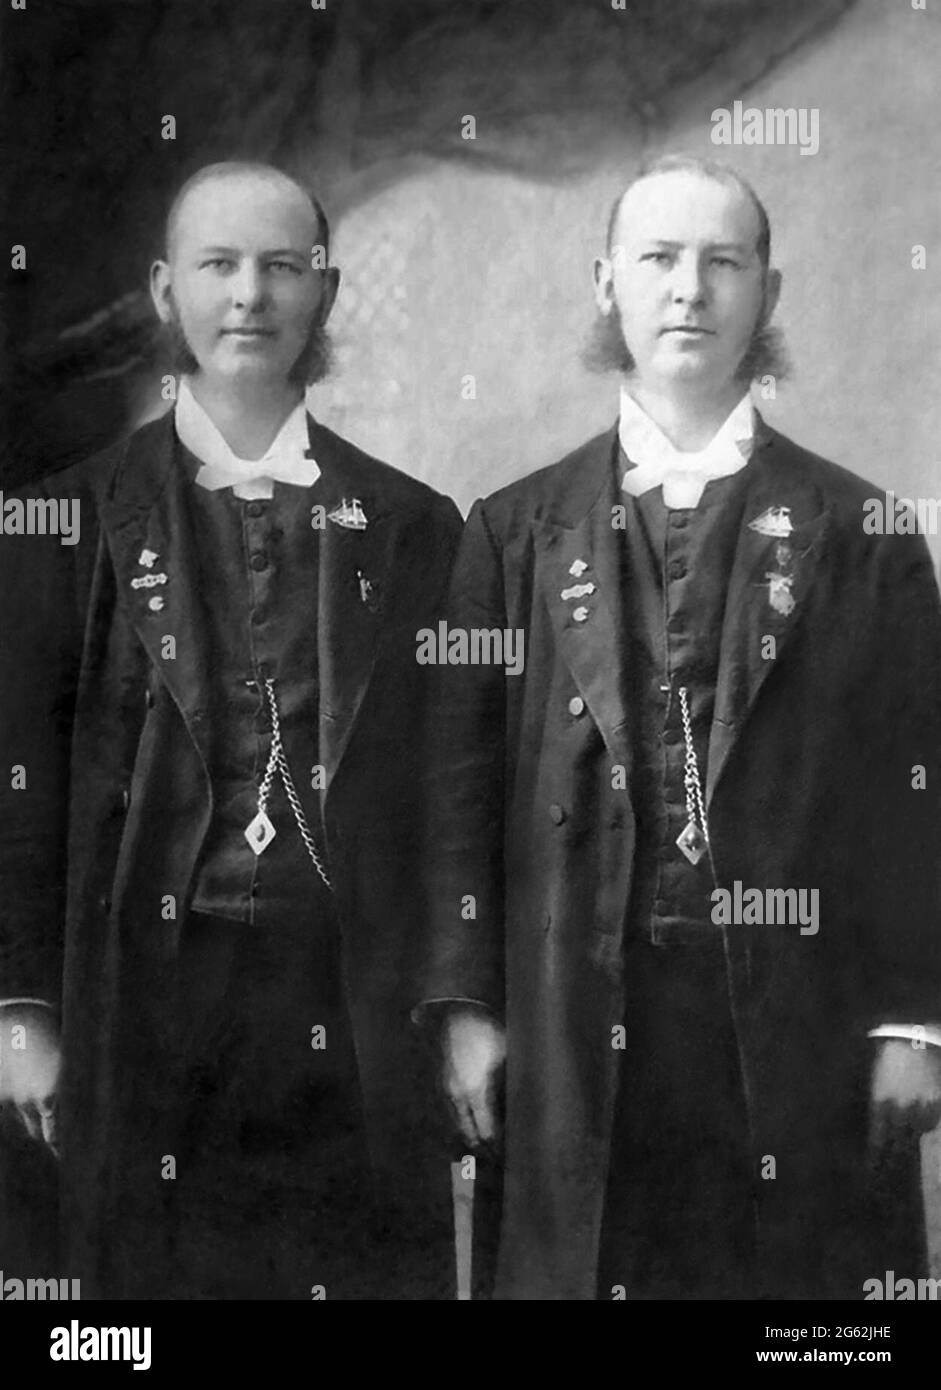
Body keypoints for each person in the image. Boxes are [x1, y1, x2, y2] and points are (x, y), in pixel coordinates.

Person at [417, 154, 941, 1300]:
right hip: (571, 1013)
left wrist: (913, 1016)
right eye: (657, 259)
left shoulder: (867, 533)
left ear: (768, 292)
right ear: (606, 282)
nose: (688, 290)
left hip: (794, 1016)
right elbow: (455, 797)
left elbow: (916, 791)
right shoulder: (509, 532)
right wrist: (465, 1005)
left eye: (722, 261)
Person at [0, 160, 462, 1299]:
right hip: (144, 1003)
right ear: (165, 291)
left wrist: (457, 1002)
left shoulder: (412, 527)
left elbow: (456, 794)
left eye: (280, 266)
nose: (248, 295)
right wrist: (20, 1013)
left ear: (327, 292)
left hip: (351, 1012)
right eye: (218, 265)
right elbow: (21, 786)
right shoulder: (61, 522)